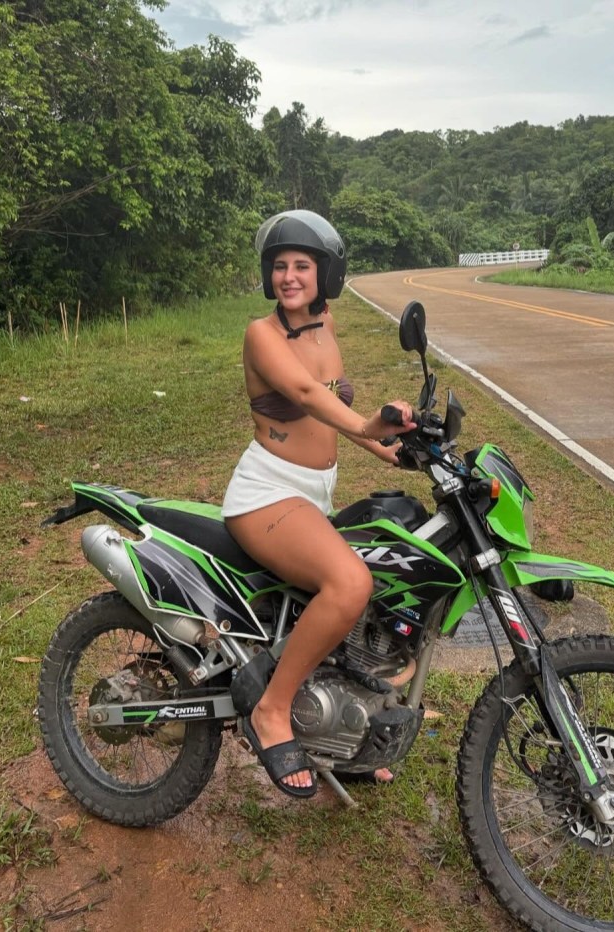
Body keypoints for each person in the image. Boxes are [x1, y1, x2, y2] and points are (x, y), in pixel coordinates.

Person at [222, 209, 415, 798]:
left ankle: (343, 738)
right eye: (279, 266)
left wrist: (396, 450)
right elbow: (306, 394)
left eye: (301, 266)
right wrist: (367, 423)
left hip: (312, 496)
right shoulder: (261, 334)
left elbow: (336, 413)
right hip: (267, 494)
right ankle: (272, 710)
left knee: (385, 577)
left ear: (325, 273)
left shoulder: (325, 325)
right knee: (350, 583)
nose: (288, 277)